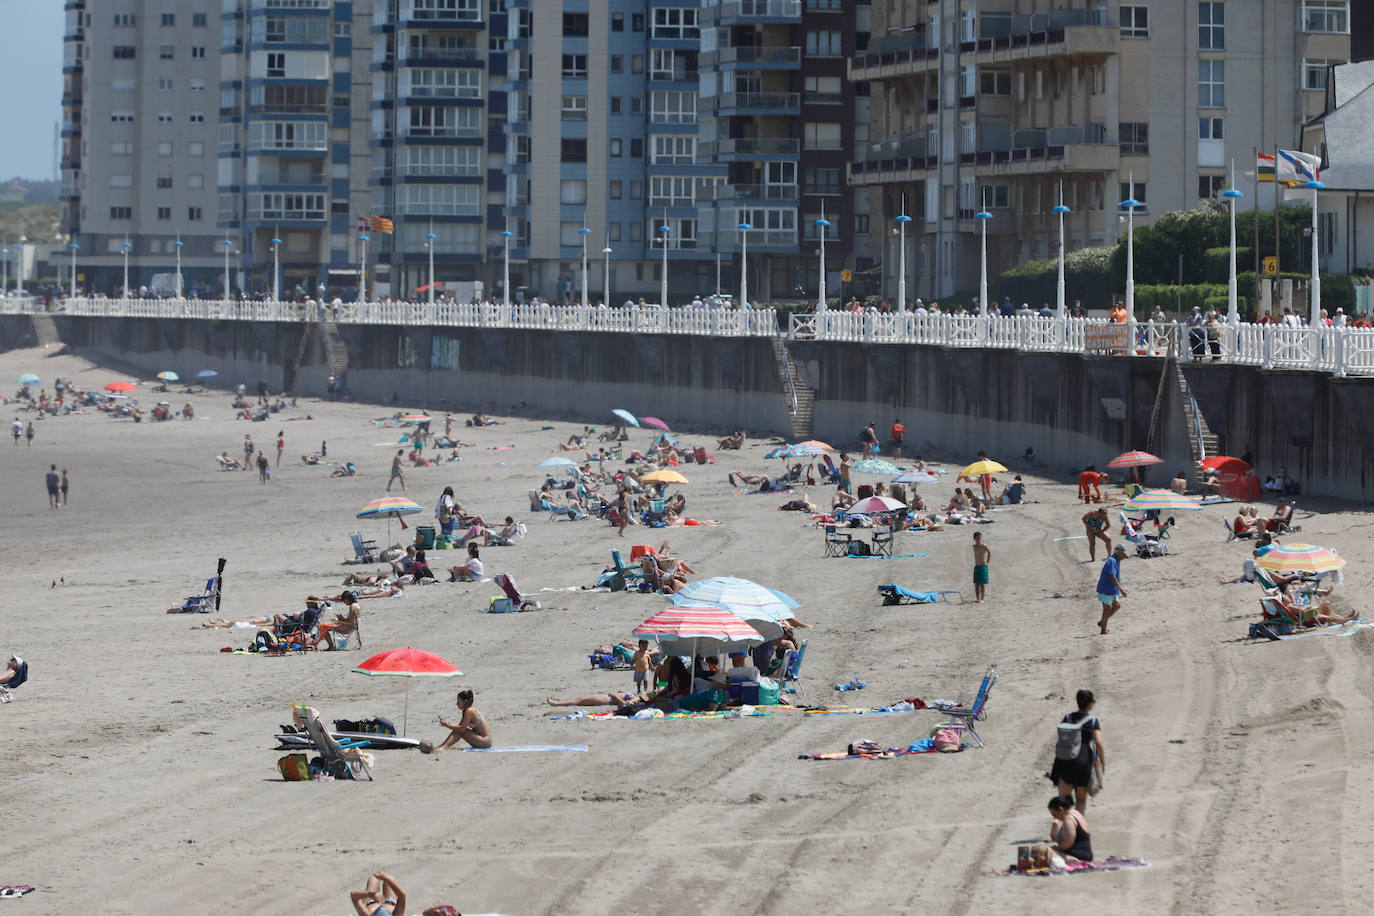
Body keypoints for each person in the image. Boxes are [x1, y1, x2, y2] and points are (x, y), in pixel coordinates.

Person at [1050, 689, 1104, 810]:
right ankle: (1077, 827)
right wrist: (1102, 762)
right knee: (1080, 800)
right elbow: (1098, 743)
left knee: (1062, 803)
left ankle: (1060, 826)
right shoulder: (1093, 721)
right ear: (1090, 704)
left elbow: (1061, 738)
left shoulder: (1067, 718)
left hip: (1064, 762)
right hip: (1083, 762)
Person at [420, 689, 492, 751]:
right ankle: (441, 746)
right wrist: (448, 724)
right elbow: (460, 726)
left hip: (485, 742)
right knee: (459, 730)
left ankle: (443, 747)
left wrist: (447, 725)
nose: (456, 704)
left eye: (458, 702)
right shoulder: (467, 710)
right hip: (482, 740)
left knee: (461, 731)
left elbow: (461, 729)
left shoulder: (469, 711)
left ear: (465, 702)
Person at [1047, 795, 1094, 864]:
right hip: (1086, 853)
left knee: (1048, 853)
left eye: (1054, 815)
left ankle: (1071, 859)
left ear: (1060, 809)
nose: (1055, 818)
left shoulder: (1069, 820)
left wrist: (1057, 848)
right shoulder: (1076, 813)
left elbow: (1067, 843)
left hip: (1079, 854)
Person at [1096, 545, 1128, 634]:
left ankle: (1103, 622)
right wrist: (1121, 589)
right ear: (1118, 552)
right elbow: (1112, 575)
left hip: (1112, 589)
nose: (1125, 557)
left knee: (1117, 605)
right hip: (1106, 588)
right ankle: (1103, 630)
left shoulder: (1116, 560)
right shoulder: (1112, 560)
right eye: (1124, 555)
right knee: (1107, 609)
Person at [972, 532, 990, 602]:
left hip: (983, 566)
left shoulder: (984, 546)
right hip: (976, 566)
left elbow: (989, 552)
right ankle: (977, 598)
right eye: (977, 538)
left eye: (979, 538)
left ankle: (982, 599)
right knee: (976, 583)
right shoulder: (974, 546)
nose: (978, 539)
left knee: (982, 583)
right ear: (974, 538)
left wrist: (987, 562)